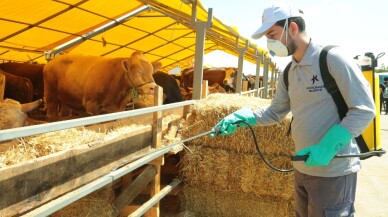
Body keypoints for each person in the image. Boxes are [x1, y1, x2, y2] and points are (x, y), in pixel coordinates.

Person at [210, 3, 376, 217]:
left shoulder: (332, 59)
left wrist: (327, 147)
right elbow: (274, 112)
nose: (270, 42)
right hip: (303, 169)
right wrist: (243, 117)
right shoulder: (289, 72)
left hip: (333, 171)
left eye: (272, 34)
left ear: (293, 28)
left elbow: (364, 109)